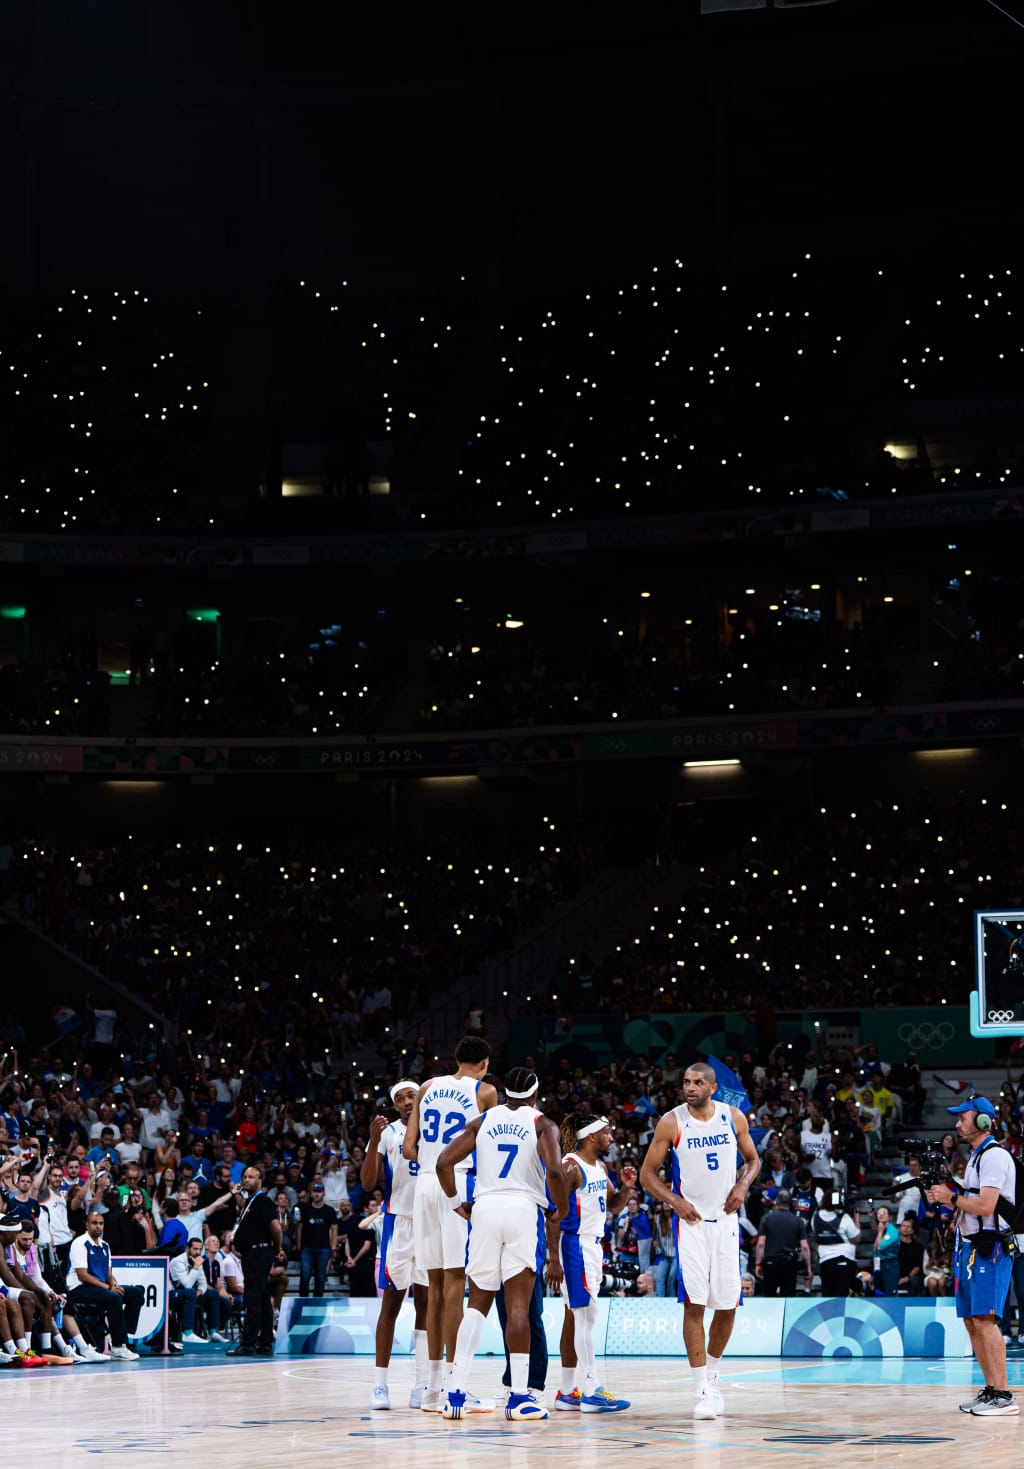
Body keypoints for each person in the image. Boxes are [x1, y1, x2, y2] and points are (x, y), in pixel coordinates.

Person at [437, 1067, 568, 1422]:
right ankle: (519, 1398)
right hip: (523, 1210)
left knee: (477, 1304)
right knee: (519, 1307)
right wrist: (563, 1207)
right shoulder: (543, 1124)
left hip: (485, 1208)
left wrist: (455, 1203)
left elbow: (444, 1162)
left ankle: (454, 1393)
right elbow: (555, 1172)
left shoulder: (482, 1121)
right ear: (536, 1094)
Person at [640, 1059, 760, 1421]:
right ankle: (701, 1389)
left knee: (726, 1306)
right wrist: (674, 1200)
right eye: (686, 1082)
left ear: (711, 1088)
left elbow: (753, 1161)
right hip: (691, 1225)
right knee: (694, 1305)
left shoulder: (732, 1117)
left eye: (696, 1082)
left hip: (726, 1222)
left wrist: (742, 1184)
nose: (689, 1087)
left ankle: (714, 1375)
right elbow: (648, 1174)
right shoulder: (672, 1121)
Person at [403, 1034, 497, 1412]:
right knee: (458, 1281)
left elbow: (409, 1148)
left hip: (424, 1182)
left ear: (455, 1058)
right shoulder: (486, 1092)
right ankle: (454, 1387)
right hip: (456, 1181)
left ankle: (431, 1387)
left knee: (434, 1285)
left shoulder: (426, 1086)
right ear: (485, 1063)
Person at [926, 1095, 1019, 1416]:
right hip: (970, 1247)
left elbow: (986, 1206)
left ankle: (1005, 1395)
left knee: (986, 1319)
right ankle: (992, 1389)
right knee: (971, 1321)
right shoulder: (977, 1158)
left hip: (990, 1247)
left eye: (962, 1118)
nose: (956, 1124)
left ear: (982, 1121)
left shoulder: (994, 1157)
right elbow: (970, 1202)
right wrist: (947, 1196)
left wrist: (951, 1198)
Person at [545, 1111, 634, 1412]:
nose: (611, 1137)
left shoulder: (599, 1166)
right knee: (586, 1316)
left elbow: (614, 1206)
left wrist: (626, 1187)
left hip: (594, 1247)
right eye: (607, 1133)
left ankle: (568, 1391)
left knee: (578, 1317)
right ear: (592, 1136)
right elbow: (553, 1215)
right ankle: (592, 1388)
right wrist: (553, 1257)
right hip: (576, 1245)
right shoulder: (571, 1167)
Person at [360, 1080, 430, 1411]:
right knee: (391, 1304)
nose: (405, 1101)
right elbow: (368, 1182)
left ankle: (422, 1384)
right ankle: (380, 1386)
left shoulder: (436, 1128)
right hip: (399, 1223)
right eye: (399, 1098)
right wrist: (373, 1140)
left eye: (410, 1096)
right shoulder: (387, 1134)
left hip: (431, 1222)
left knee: (427, 1306)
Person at [65, 1210, 145, 1361]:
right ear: (87, 1225)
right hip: (79, 1289)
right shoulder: (79, 1243)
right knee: (113, 1297)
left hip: (99, 1287)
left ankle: (122, 1335)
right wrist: (108, 1288)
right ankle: (117, 1347)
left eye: (101, 1223)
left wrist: (114, 1283)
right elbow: (83, 1275)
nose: (98, 1227)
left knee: (136, 1293)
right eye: (94, 1223)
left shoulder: (105, 1245)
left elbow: (108, 1274)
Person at [226, 1164, 281, 1357]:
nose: (246, 1180)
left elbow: (276, 1227)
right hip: (253, 1254)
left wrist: (277, 1247)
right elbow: (243, 1206)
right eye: (244, 1177)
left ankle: (248, 1343)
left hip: (258, 1253)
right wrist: (235, 1194)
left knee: (253, 1298)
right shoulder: (252, 1202)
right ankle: (265, 1342)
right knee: (263, 1298)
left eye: (251, 1177)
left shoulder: (263, 1201)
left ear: (260, 1180)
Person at [170, 1237, 230, 1344]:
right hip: (173, 1294)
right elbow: (187, 1284)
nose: (198, 1252)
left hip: (191, 1294)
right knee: (190, 1292)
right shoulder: (177, 1261)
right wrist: (196, 1266)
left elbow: (202, 1283)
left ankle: (213, 1331)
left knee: (213, 1293)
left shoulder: (198, 1260)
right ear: (187, 1248)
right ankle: (187, 1333)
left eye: (199, 1249)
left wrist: (199, 1293)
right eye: (195, 1249)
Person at [756, 1191, 812, 1297]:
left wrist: (758, 1263)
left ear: (776, 1201)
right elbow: (804, 1247)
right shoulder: (797, 1221)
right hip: (789, 1263)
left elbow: (761, 1244)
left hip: (770, 1262)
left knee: (769, 1296)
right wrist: (808, 1266)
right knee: (788, 1297)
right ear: (791, 1203)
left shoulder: (766, 1218)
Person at [812, 1191, 861, 1297]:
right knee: (841, 1295)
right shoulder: (844, 1217)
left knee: (828, 1295)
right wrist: (856, 1219)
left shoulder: (815, 1217)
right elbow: (856, 1238)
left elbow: (816, 1233)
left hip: (825, 1262)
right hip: (843, 1261)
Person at [296, 1182, 337, 1297]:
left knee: (320, 1278)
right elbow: (299, 1228)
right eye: (315, 1192)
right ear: (311, 1194)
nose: (317, 1194)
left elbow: (334, 1229)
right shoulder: (305, 1210)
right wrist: (299, 1244)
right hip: (307, 1248)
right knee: (305, 1277)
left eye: (319, 1192)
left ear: (323, 1193)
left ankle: (317, 1304)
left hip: (323, 1248)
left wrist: (333, 1247)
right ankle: (302, 1302)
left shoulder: (330, 1211)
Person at [872, 1205, 900, 1295]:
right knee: (878, 1293)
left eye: (884, 1213)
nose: (881, 1215)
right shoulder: (882, 1229)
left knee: (889, 1294)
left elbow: (880, 1247)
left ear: (889, 1217)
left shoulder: (892, 1231)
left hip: (889, 1265)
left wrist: (879, 1232)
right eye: (879, 1213)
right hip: (878, 1264)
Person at [896, 1215, 925, 1295]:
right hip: (895, 1274)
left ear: (912, 1231)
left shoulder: (918, 1247)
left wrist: (907, 1277)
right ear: (900, 1229)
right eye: (903, 1226)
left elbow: (917, 1267)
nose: (905, 1228)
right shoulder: (894, 1245)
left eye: (908, 1226)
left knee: (914, 1281)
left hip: (911, 1276)